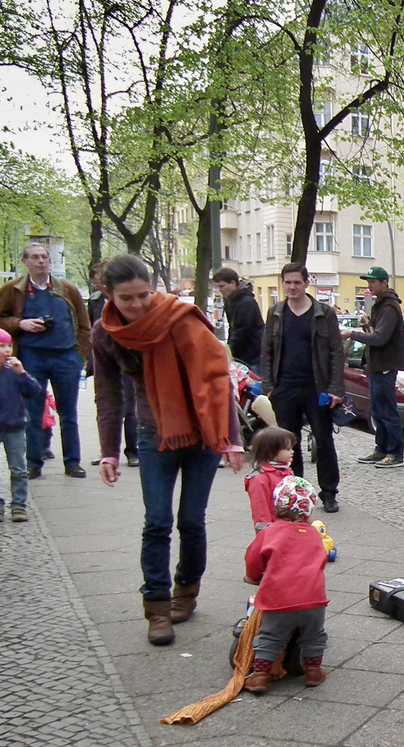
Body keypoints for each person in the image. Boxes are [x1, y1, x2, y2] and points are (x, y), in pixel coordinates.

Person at [93, 254, 245, 646]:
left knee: (191, 521)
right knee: (157, 521)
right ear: (109, 295)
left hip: (202, 434)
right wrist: (110, 450)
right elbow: (108, 394)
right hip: (153, 432)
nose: (138, 305)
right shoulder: (105, 332)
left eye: (144, 295)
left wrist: (232, 439)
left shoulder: (181, 317)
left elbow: (216, 379)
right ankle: (157, 609)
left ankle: (186, 592)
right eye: (127, 299)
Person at [0, 242, 92, 479]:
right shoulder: (13, 290)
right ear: (25, 262)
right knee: (33, 412)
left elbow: (84, 325)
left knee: (69, 413)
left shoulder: (66, 289)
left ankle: (72, 461)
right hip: (32, 356)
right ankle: (33, 462)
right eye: (35, 257)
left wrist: (80, 356)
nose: (41, 261)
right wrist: (20, 323)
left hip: (66, 357)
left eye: (45, 257)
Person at [259, 263, 345, 512]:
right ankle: (292, 490)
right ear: (283, 284)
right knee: (288, 444)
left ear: (307, 283)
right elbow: (267, 350)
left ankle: (329, 493)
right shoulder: (275, 312)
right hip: (284, 387)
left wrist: (335, 388)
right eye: (288, 282)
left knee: (324, 440)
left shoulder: (323, 313)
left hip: (316, 387)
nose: (292, 287)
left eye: (297, 282)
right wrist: (269, 387)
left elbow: (335, 352)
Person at [242, 475, 330, 694]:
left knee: (270, 636)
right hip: (314, 599)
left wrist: (251, 576)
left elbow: (253, 558)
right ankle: (313, 671)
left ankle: (260, 676)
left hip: (279, 599)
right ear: (309, 510)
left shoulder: (270, 532)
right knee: (314, 635)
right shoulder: (313, 535)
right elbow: (322, 560)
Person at [0, 326, 40, 523]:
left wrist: (22, 373)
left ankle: (19, 505)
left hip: (15, 426)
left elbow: (33, 391)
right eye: (1, 345)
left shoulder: (14, 372)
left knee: (19, 468)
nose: (7, 350)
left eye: (9, 345)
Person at [341, 266, 404, 468]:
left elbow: (380, 338)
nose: (369, 286)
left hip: (385, 365)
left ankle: (395, 453)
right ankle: (381, 449)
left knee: (387, 411)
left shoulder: (389, 307)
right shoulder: (381, 305)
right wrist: (367, 324)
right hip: (377, 365)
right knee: (378, 411)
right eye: (368, 282)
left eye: (372, 282)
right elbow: (376, 333)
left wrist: (353, 333)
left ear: (384, 283)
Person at [87, 261, 139, 468]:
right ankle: (108, 450)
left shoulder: (132, 301)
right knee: (106, 402)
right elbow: (91, 327)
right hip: (106, 356)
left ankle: (133, 450)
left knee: (130, 406)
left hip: (127, 357)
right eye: (96, 279)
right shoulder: (94, 301)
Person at [244, 426, 296, 531]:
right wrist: (266, 531)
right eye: (287, 449)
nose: (292, 452)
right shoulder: (260, 478)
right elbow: (260, 508)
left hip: (290, 525)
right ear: (271, 452)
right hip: (273, 530)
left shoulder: (286, 469)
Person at [213, 267, 265, 370]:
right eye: (218, 287)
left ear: (233, 283)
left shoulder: (246, 303)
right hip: (244, 357)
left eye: (222, 286)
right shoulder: (231, 301)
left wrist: (229, 352)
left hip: (253, 358)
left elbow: (241, 332)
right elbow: (233, 330)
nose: (220, 290)